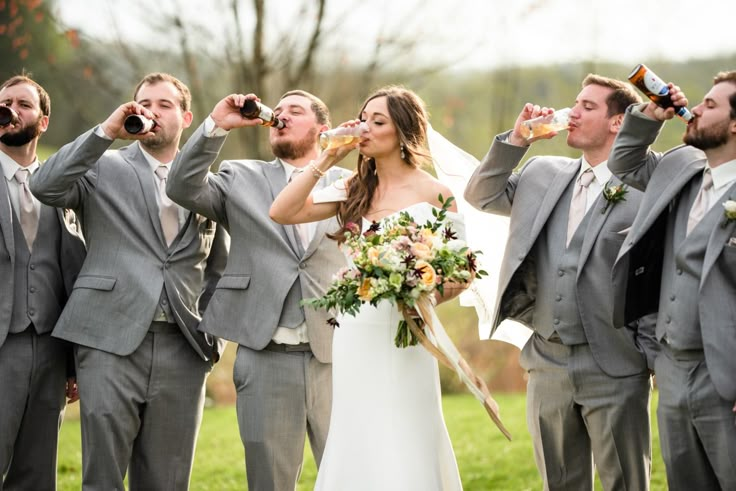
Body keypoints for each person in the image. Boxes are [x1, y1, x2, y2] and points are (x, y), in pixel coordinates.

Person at [29, 72, 228, 490]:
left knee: (168, 480)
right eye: (145, 103)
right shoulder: (101, 166)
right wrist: (105, 132)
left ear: (186, 116)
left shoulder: (208, 185)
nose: (153, 112)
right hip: (108, 341)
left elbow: (219, 269)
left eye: (164, 104)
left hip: (185, 346)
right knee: (102, 477)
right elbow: (44, 185)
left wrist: (213, 334)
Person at [464, 74, 656, 491]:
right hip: (546, 359)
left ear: (617, 123)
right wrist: (517, 140)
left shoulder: (647, 186)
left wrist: (645, 353)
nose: (573, 113)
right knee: (560, 482)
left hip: (616, 363)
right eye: (575, 103)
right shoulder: (541, 172)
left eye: (588, 107)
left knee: (626, 482)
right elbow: (480, 195)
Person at [269, 85, 465, 491]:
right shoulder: (351, 189)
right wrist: (327, 157)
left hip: (410, 333)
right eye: (364, 119)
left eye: (379, 122)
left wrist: (419, 290)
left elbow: (460, 272)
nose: (367, 128)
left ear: (405, 131)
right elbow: (282, 211)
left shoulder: (436, 193)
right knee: (358, 430)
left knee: (410, 428)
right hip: (356, 332)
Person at [166, 90, 351, 491]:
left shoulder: (350, 185)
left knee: (351, 478)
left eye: (295, 111)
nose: (281, 116)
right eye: (278, 111)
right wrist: (216, 125)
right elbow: (180, 187)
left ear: (323, 129)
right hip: (265, 355)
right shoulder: (239, 176)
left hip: (338, 357)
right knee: (269, 482)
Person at [609, 71, 736, 490]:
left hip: (726, 378)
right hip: (672, 369)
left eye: (711, 106)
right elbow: (624, 162)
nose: (695, 109)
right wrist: (651, 115)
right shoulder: (680, 167)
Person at [0, 75, 85, 491]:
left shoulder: (65, 187)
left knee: (36, 475)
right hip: (2, 344)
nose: (12, 110)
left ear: (44, 121)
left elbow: (73, 273)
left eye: (24, 104)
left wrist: (73, 362)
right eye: (5, 102)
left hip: (51, 348)